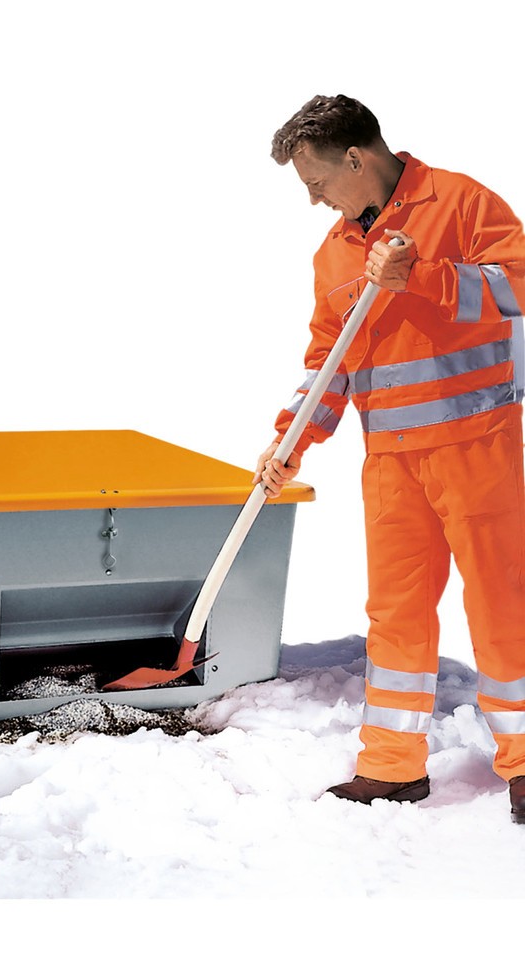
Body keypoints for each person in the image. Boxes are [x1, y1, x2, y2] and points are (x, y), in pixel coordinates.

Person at [255, 94, 525, 824]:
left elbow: (521, 290)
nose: (313, 200)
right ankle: (393, 767)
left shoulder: (461, 204)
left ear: (356, 157)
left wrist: (427, 276)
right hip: (391, 462)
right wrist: (292, 441)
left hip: (478, 445)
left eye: (317, 182)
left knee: (502, 603)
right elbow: (329, 363)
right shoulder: (336, 254)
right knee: (396, 618)